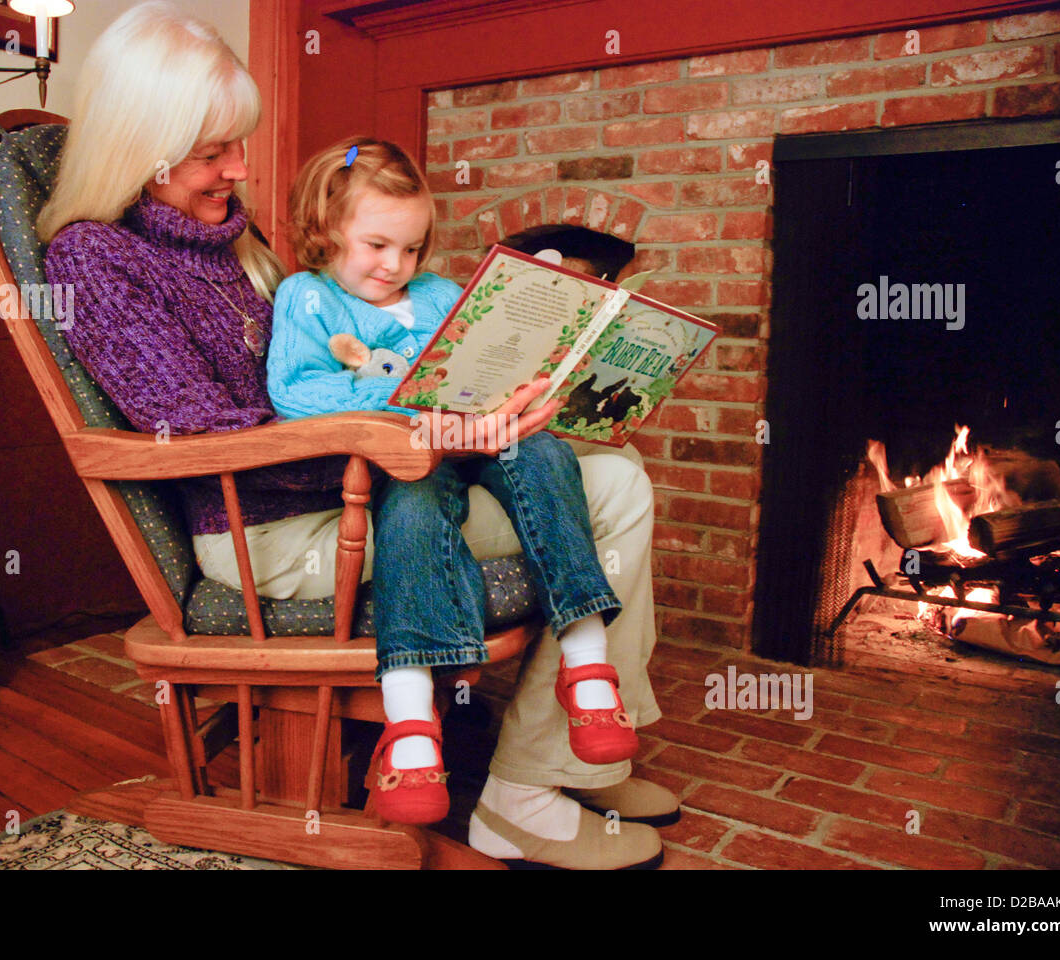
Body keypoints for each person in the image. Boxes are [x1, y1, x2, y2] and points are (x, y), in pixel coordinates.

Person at [39, 0, 675, 869]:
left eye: (239, 141)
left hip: (361, 477)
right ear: (139, 140)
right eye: (212, 148)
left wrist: (490, 404)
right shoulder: (97, 259)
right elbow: (192, 430)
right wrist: (416, 433)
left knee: (612, 462)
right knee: (615, 493)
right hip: (269, 523)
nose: (238, 165)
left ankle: (582, 757)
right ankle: (528, 790)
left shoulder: (234, 242)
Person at [266, 138, 641, 829]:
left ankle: (587, 666)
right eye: (378, 245)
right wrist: (406, 407)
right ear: (323, 229)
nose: (396, 266)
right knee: (412, 505)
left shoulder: (438, 292)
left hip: (483, 434)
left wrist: (530, 387)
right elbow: (294, 394)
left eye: (411, 250)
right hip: (400, 460)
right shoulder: (308, 298)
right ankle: (410, 723)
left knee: (550, 456)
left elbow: (487, 349)